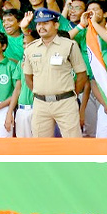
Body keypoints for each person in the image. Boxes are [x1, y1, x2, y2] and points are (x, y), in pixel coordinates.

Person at [22, 8, 87, 139]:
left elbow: (81, 74)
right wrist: (40, 91)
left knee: (73, 143)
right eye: (39, 24)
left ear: (56, 25)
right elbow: (28, 77)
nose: (41, 27)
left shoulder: (69, 45)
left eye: (45, 23)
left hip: (65, 102)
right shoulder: (30, 48)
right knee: (41, 146)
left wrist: (72, 93)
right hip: (40, 103)